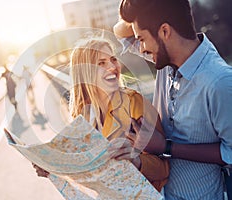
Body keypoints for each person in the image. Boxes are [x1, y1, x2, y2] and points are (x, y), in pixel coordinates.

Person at [114, 0, 232, 199]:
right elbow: (120, 32)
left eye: (141, 39)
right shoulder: (166, 59)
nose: (141, 48)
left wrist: (165, 147)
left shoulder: (219, 82)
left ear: (165, 31)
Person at [33, 37, 169, 192]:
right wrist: (53, 170)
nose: (112, 66)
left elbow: (164, 168)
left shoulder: (134, 103)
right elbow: (87, 172)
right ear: (85, 73)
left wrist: (136, 160)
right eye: (101, 63)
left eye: (113, 59)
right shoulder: (84, 115)